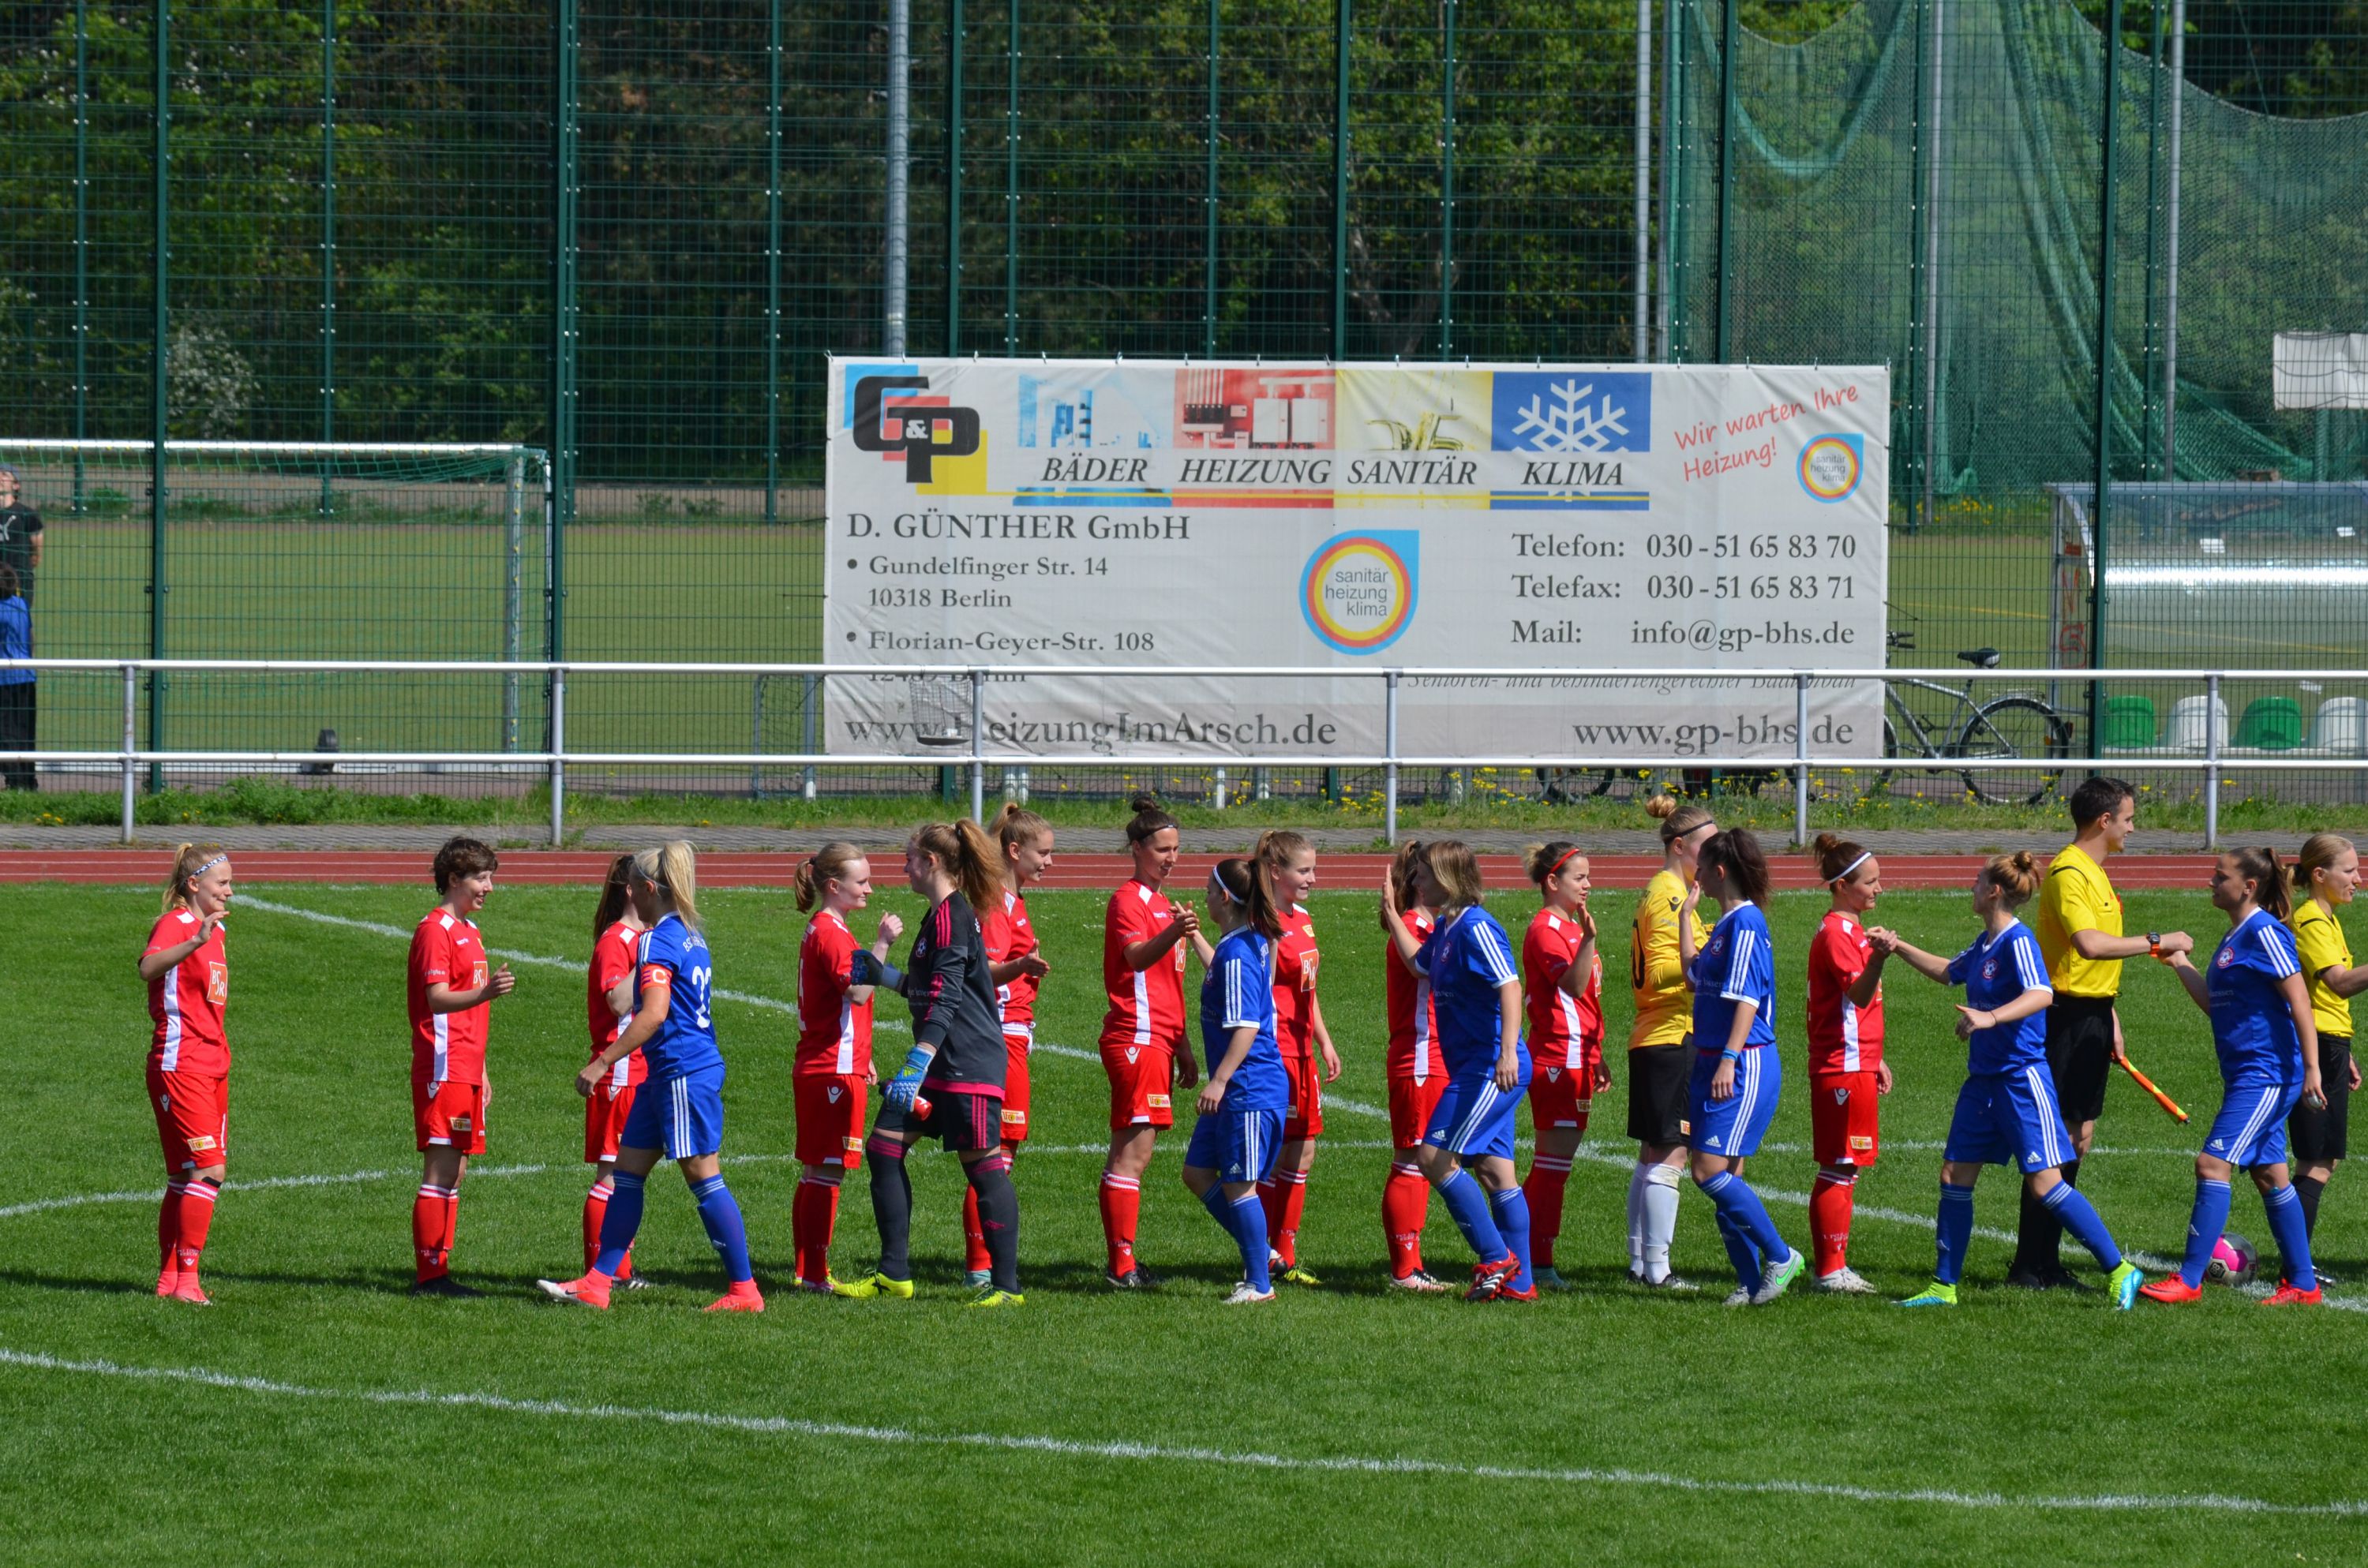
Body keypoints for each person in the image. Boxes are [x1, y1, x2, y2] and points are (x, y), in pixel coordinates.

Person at [1880, 852, 2144, 1310]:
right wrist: (1897, 947)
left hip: (2022, 1080)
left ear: (1994, 891)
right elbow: (1949, 972)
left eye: (1977, 880)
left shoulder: (2018, 941)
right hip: (1983, 1082)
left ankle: (2121, 1269)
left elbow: (2042, 993)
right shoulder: (1986, 943)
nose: (1972, 886)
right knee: (1955, 1174)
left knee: (2046, 1183)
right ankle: (1944, 1287)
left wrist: (1990, 1017)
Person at [540, 842, 764, 1312]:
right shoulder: (688, 933)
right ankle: (599, 1282)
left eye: (633, 889)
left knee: (704, 1177)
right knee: (626, 1173)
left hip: (682, 1072)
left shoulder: (657, 939)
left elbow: (654, 1014)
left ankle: (745, 1291)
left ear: (645, 889)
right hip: (665, 1074)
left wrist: (602, 1062)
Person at [837, 820, 1026, 1308]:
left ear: (932, 862)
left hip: (965, 1062)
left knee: (984, 1170)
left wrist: (915, 1064)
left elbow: (946, 1002)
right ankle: (894, 1275)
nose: (903, 866)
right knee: (883, 1149)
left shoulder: (953, 916)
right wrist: (886, 975)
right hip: (939, 1062)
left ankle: (1007, 1288)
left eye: (909, 858)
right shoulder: (936, 917)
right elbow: (927, 990)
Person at [2017, 777, 2193, 1289]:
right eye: (2129, 818)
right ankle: (2032, 1265)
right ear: (2104, 820)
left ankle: (2044, 1262)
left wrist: (2110, 1015)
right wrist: (2160, 941)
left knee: (2076, 1139)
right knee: (2057, 1142)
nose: (2133, 828)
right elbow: (2089, 944)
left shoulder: (2093, 871)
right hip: (2065, 1016)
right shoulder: (2071, 871)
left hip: (2090, 1013)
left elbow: (2091, 960)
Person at [2141, 848, 2327, 1306]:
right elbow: (2217, 1006)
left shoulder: (2264, 933)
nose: (2211, 881)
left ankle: (2188, 1280)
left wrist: (2313, 1068)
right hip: (2248, 1072)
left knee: (2211, 1164)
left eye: (2219, 876)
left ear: (2248, 887)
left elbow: (2300, 1001)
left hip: (2267, 1075)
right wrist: (2181, 963)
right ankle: (2304, 1286)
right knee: (2270, 1174)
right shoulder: (2235, 937)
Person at [1380, 839, 1534, 1303]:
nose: (1416, 881)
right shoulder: (1446, 929)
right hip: (1475, 1065)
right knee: (1494, 1171)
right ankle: (1521, 1284)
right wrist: (1391, 913)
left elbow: (1510, 985)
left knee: (1433, 1158)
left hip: (1489, 1067)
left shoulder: (1476, 926)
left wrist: (1507, 1051)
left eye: (1423, 874)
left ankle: (1495, 1258)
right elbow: (1416, 963)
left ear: (1447, 878)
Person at [1682, 829, 1806, 1306]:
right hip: (1715, 1057)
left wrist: (1729, 1059)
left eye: (1701, 865)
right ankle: (1750, 1281)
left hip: (1743, 1059)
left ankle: (1780, 1255)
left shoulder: (1747, 924)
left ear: (1719, 871)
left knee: (1708, 1170)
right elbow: (1694, 976)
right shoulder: (1725, 925)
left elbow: (1748, 1000)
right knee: (1727, 1175)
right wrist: (1685, 919)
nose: (1694, 874)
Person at [1093, 793, 1208, 1288]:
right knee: (1131, 1155)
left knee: (1136, 1152)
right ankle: (1121, 1267)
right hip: (1135, 1038)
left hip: (1159, 1041)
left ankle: (1123, 1264)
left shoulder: (1164, 904)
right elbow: (1137, 958)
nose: (1172, 858)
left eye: (1177, 849)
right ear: (1138, 848)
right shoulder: (1129, 900)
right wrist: (1174, 933)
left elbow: (1168, 984)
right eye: (1163, 849)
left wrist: (1182, 1044)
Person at [405, 836, 516, 1297]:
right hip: (444, 1065)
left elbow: (471, 1014)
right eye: (482, 878)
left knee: (457, 1171)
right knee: (441, 1170)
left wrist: (483, 1067)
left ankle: (441, 1269)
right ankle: (431, 1276)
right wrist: (486, 992)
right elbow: (436, 1000)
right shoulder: (436, 931)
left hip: (467, 1068)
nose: (489, 888)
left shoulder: (470, 931)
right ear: (455, 880)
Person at [1181, 856, 1293, 1305]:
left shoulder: (1239, 953)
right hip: (1240, 1086)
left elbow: (1246, 1025)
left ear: (1224, 898)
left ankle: (1258, 1282)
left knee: (1239, 1183)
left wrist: (1219, 1081)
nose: (1205, 896)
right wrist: (1194, 938)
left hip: (1248, 1084)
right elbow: (1222, 974)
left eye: (1209, 891)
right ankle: (1260, 1253)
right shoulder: (1241, 943)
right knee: (1196, 1173)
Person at [790, 843, 901, 1293]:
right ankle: (816, 1275)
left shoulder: (823, 928)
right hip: (831, 1070)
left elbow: (836, 1004)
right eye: (862, 882)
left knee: (816, 1169)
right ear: (834, 886)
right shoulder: (834, 933)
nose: (870, 889)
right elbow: (856, 992)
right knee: (827, 1171)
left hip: (830, 1061)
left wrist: (863, 1054)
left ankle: (806, 1269)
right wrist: (882, 943)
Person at [1626, 793, 1715, 1291]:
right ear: (1680, 846)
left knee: (1651, 1155)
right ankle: (1659, 1270)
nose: (1714, 859)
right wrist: (1705, 961)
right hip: (1670, 1035)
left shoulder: (1668, 889)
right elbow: (1661, 971)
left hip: (1656, 1035)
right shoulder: (1671, 894)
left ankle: (1641, 1262)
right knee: (1672, 1155)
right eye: (1707, 848)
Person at [141, 844, 235, 1304]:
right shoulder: (177, 925)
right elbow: (147, 967)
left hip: (212, 1064)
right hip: (181, 1064)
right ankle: (189, 1282)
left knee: (184, 1175)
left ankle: (169, 1280)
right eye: (223, 884)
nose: (230, 892)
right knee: (210, 1168)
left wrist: (204, 938)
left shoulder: (214, 933)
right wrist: (193, 942)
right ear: (194, 884)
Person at [965, 804, 1052, 1287]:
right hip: (1000, 1037)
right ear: (1014, 851)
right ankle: (980, 1269)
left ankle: (982, 1265)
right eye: (1043, 853)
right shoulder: (997, 903)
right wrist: (1022, 968)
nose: (1049, 863)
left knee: (998, 1153)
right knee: (993, 1156)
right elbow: (983, 973)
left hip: (1012, 1035)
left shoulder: (1012, 902)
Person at [1802, 833, 1894, 1293]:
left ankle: (1834, 1266)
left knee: (1846, 1165)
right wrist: (1879, 960)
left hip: (1855, 1063)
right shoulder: (1839, 934)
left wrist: (1875, 1060)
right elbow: (1857, 995)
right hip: (1841, 1066)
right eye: (1870, 883)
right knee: (1839, 1165)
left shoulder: (1851, 930)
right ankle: (1829, 1269)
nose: (1879, 889)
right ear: (1841, 886)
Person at [1519, 840, 1605, 1293]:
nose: (1589, 885)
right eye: (1580, 877)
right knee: (1552, 1165)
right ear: (1552, 882)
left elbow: (1587, 1000)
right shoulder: (1548, 928)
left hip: (1579, 1055)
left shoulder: (1570, 926)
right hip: (1558, 1058)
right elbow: (1571, 988)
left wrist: (1599, 1053)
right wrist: (1589, 939)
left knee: (1556, 1164)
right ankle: (1535, 1260)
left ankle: (1528, 1255)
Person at [1256, 829, 1339, 1288]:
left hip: (1303, 1051)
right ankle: (1264, 1252)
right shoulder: (1263, 924)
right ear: (1275, 872)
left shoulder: (1303, 918)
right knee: (1273, 1153)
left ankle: (1285, 1252)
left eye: (1313, 868)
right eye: (1303, 870)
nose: (1313, 877)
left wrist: (1323, 1040)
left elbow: (1307, 990)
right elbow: (1257, 992)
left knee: (1303, 1150)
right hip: (1276, 1052)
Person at [2287, 834, 2366, 1244]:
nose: (2358, 879)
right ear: (2319, 874)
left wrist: (2343, 1051)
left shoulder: (2326, 917)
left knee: (2321, 1160)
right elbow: (2337, 983)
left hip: (2329, 1044)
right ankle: (2295, 1267)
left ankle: (2295, 1263)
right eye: (2350, 870)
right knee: (2316, 1161)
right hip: (2318, 1045)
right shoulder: (2312, 921)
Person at [1379, 840, 1450, 1291]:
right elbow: (1425, 970)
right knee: (1411, 1159)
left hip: (1435, 1055)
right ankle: (1404, 1269)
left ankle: (1413, 1262)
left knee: (1425, 1159)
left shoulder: (1428, 925)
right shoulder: (1412, 929)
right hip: (1421, 1056)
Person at [581, 854, 648, 1285]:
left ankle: (618, 1270)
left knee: (628, 1175)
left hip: (642, 1071)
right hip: (617, 1073)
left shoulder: (641, 937)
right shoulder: (616, 940)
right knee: (612, 1173)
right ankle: (604, 1272)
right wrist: (650, 956)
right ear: (633, 890)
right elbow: (618, 1002)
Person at [0, 564, 32, 791]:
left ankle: (14, 781)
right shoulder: (21, 605)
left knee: (6, 731)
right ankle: (28, 779)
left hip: (5, 678)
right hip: (27, 674)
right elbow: (31, 637)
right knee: (26, 730)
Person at [0, 465, 42, 605]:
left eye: (5, 475)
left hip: (19, 581)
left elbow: (36, 554)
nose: (0, 477)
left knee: (18, 624)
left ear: (16, 485)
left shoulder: (26, 514)